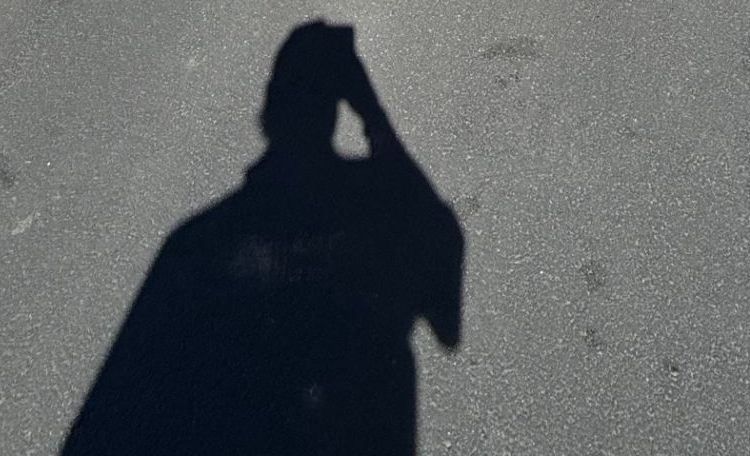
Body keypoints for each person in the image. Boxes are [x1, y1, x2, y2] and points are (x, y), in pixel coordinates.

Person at [62, 22, 463, 455]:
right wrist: (374, 116)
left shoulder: (195, 246)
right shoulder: (387, 209)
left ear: (269, 115)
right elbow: (447, 324)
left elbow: (121, 412)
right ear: (340, 107)